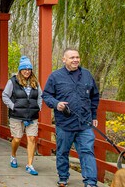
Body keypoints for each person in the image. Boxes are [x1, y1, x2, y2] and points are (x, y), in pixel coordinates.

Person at [42, 48, 100, 187]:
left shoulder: (86, 75)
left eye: (77, 57)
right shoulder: (55, 76)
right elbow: (46, 96)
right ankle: (63, 177)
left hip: (84, 123)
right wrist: (57, 104)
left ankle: (91, 182)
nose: (75, 60)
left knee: (87, 152)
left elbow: (94, 96)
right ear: (64, 60)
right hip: (64, 123)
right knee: (62, 152)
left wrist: (94, 116)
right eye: (72, 57)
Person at [2, 55, 42, 176]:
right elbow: (5, 96)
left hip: (32, 116)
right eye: (24, 69)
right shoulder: (13, 81)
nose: (27, 71)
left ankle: (29, 165)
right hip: (16, 116)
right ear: (20, 70)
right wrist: (13, 106)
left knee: (31, 138)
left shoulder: (35, 82)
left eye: (29, 69)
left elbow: (40, 96)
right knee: (17, 138)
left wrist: (38, 107)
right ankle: (13, 155)